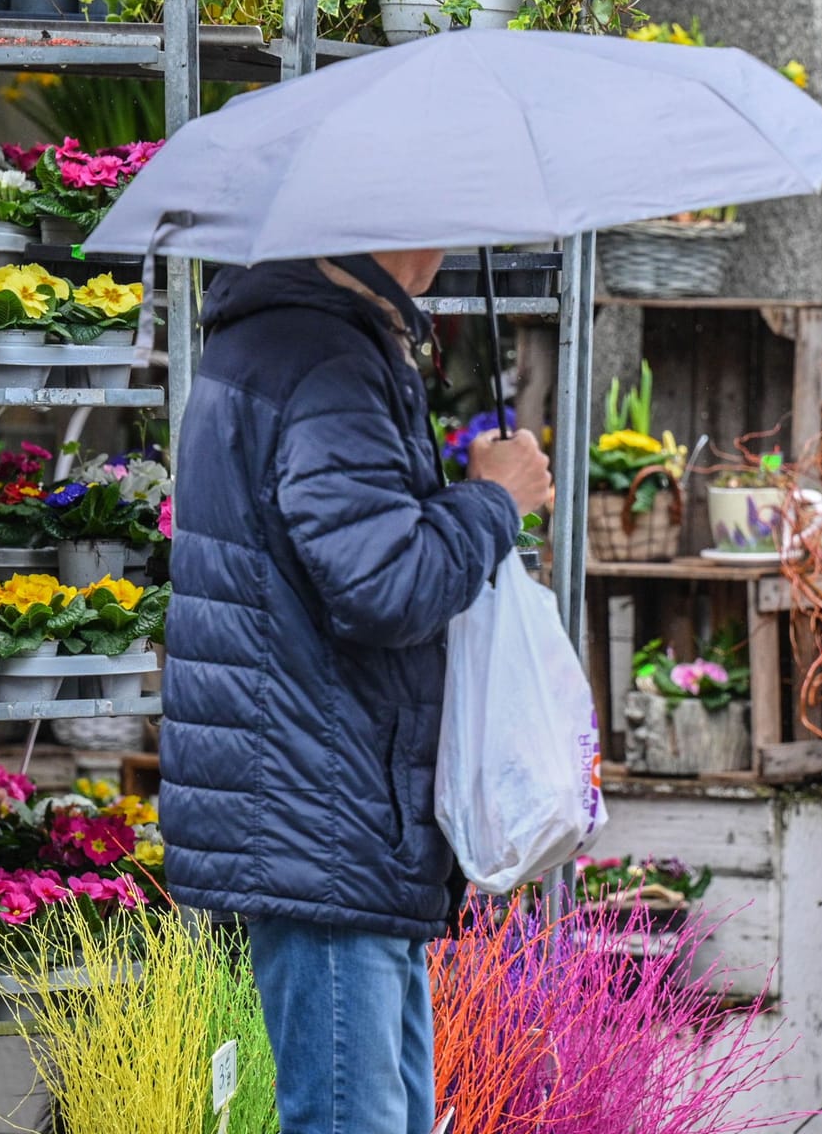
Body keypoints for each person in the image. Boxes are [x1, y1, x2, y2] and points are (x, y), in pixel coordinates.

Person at [160, 250, 551, 1134]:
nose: (447, 249)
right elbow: (384, 586)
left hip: (327, 802)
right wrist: (494, 503)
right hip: (326, 809)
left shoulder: (285, 342)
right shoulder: (324, 361)